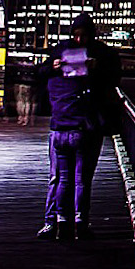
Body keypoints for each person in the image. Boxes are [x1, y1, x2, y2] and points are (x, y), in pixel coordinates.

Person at [37, 14, 119, 240]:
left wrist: (52, 68)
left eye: (84, 35)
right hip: (85, 125)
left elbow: (40, 74)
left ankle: (59, 222)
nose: (80, 40)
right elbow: (114, 80)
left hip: (61, 124)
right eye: (77, 35)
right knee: (81, 178)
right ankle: (76, 223)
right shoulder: (95, 56)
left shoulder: (63, 56)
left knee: (60, 178)